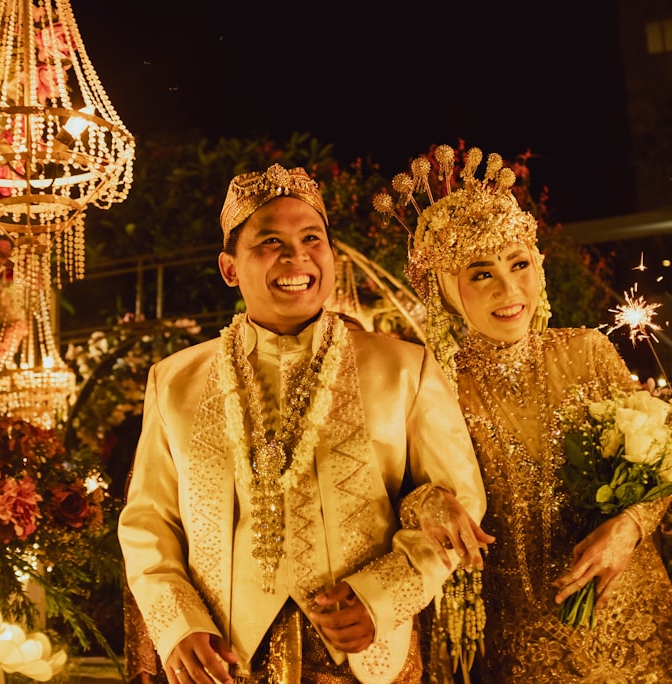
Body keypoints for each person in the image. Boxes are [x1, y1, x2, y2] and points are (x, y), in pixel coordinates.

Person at [119, 163, 490, 684]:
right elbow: (148, 520)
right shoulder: (174, 381)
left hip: (362, 651)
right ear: (229, 268)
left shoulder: (404, 367)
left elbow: (460, 501)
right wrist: (176, 624)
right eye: (270, 241)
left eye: (311, 238)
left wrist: (385, 597)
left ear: (330, 256)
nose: (297, 257)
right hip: (224, 655)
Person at [385, 145, 672, 682]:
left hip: (626, 607)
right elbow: (393, 494)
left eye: (519, 264)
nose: (509, 290)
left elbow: (661, 464)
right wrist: (428, 502)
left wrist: (631, 527)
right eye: (481, 274)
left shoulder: (587, 351)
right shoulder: (427, 384)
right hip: (514, 634)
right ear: (444, 291)